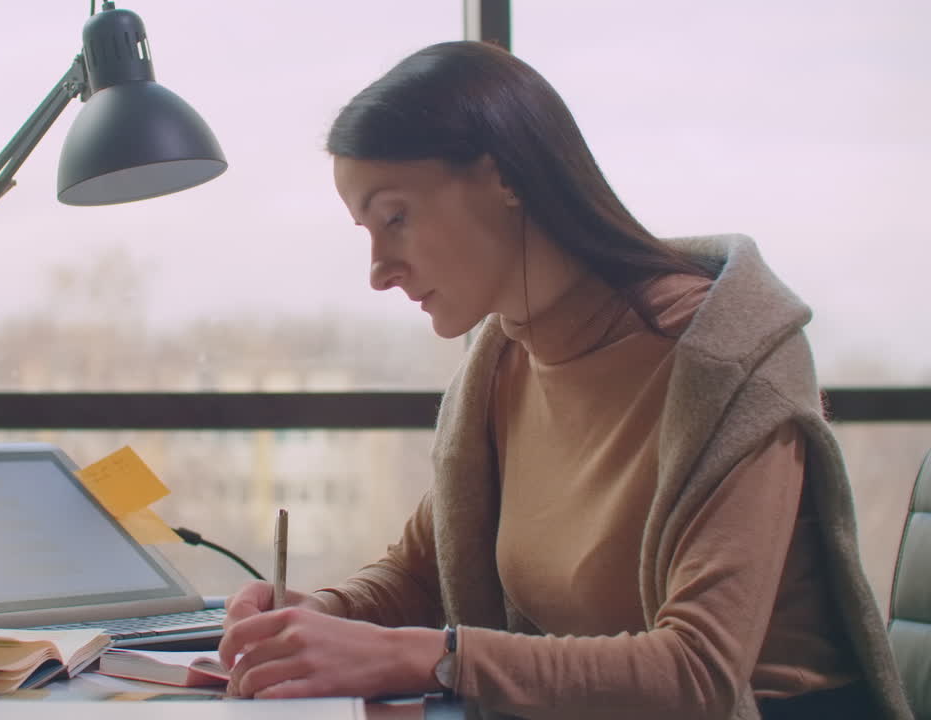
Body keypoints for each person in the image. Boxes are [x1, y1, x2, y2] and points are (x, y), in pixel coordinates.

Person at [217, 41, 912, 720]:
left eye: (395, 218)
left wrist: (422, 657)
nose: (378, 270)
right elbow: (426, 570)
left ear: (505, 179)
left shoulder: (725, 364)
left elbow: (699, 673)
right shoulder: (502, 364)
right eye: (366, 232)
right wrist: (326, 613)